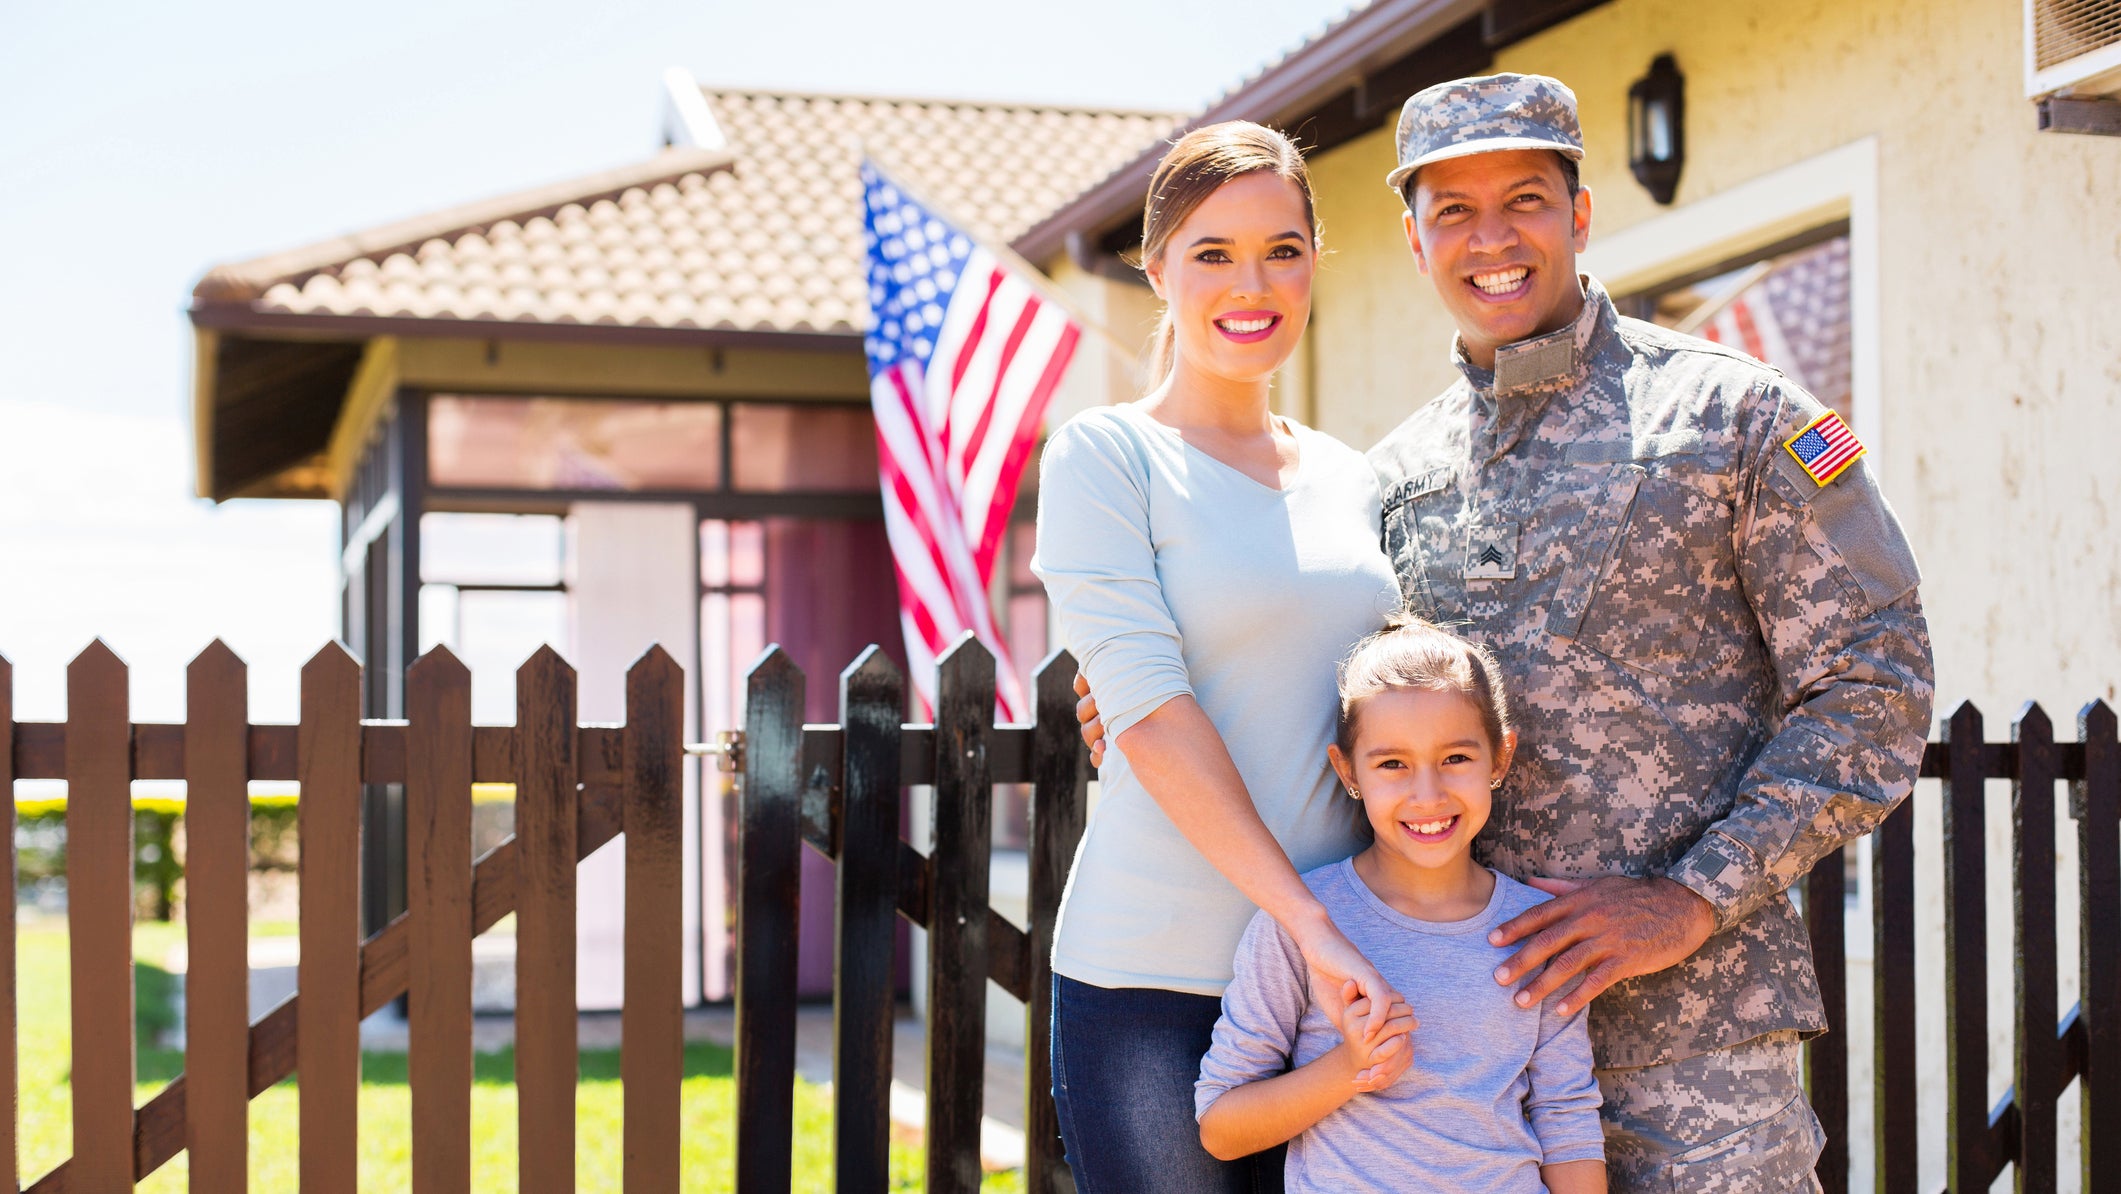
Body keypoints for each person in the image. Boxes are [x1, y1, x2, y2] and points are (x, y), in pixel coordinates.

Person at [1077, 74, 1936, 1191]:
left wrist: (1690, 899)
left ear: (1579, 215)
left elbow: (1879, 684)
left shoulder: (1739, 418)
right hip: (1455, 1076)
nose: (1493, 240)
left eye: (1525, 199)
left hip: (1698, 1050)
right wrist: (1142, 701)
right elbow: (1343, 698)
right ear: (1413, 238)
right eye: (1453, 212)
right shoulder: (1387, 479)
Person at [1031, 120, 1404, 1192]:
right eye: (1213, 253)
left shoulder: (1353, 480)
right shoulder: (1108, 457)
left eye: (1282, 249)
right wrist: (1312, 928)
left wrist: (1348, 941)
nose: (1254, 283)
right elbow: (1148, 713)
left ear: (1315, 263)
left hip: (1333, 985)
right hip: (1158, 981)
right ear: (1156, 271)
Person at [1196, 616, 1607, 1193]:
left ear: (1501, 756)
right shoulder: (1303, 922)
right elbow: (1221, 1127)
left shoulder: (1537, 929)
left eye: (1456, 759)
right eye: (1392, 764)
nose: (1427, 794)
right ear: (1349, 771)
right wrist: (1350, 1068)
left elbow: (1567, 1119)